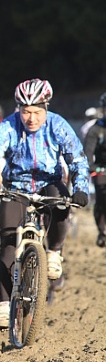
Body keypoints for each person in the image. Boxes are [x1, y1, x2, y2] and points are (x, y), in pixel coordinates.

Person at [0, 78, 90, 328]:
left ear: (46, 108)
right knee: (9, 243)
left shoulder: (58, 125)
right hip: (17, 187)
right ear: (18, 110)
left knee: (62, 203)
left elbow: (77, 159)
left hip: (49, 183)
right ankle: (3, 303)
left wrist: (81, 189)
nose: (31, 118)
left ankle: (54, 251)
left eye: (36, 112)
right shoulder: (8, 127)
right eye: (25, 112)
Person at [83, 92, 106, 247]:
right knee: (101, 199)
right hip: (101, 168)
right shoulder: (95, 130)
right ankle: (102, 231)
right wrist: (93, 168)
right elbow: (87, 155)